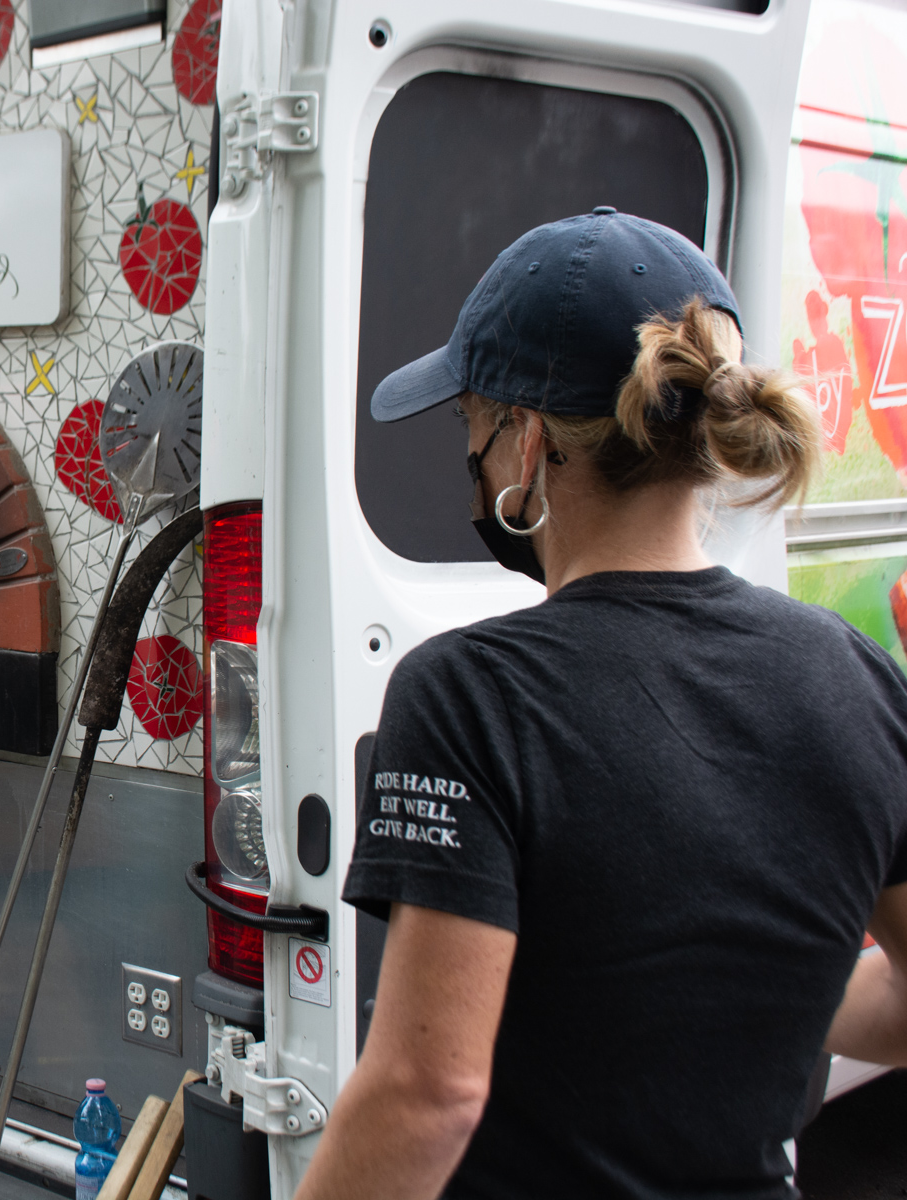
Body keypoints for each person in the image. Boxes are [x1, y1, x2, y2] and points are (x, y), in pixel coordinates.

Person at [295, 210, 907, 1199]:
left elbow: (427, 1093)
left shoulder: (471, 695)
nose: (475, 456)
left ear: (527, 444)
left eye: (471, 426)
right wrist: (759, 983)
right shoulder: (856, 675)